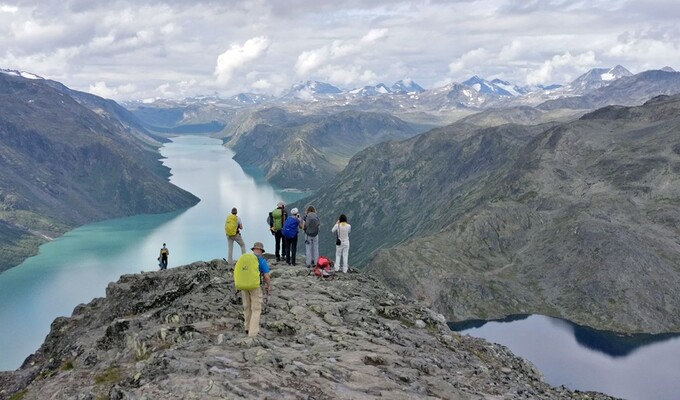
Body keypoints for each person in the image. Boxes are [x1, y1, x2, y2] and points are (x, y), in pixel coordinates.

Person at [238, 242, 271, 338]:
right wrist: (269, 285)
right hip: (254, 287)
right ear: (261, 250)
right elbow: (266, 276)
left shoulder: (245, 259)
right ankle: (253, 334)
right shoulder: (261, 261)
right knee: (256, 309)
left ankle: (247, 327)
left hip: (243, 286)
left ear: (253, 250)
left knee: (247, 307)